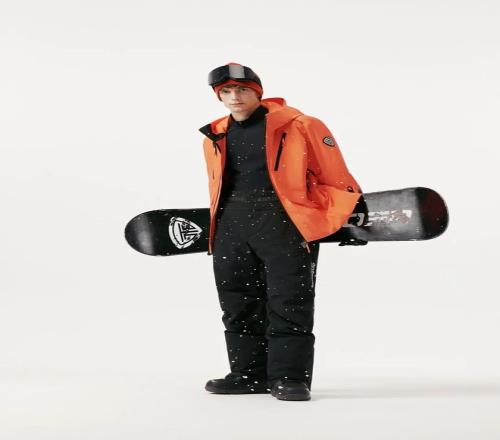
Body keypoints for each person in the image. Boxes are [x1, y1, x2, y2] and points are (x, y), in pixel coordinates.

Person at [199, 62, 363, 401]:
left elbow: (337, 178)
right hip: (232, 222)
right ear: (219, 96)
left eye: (242, 89)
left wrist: (332, 220)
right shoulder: (215, 134)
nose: (234, 97)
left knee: (289, 299)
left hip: (284, 220)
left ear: (258, 92)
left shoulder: (301, 125)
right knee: (237, 300)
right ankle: (248, 374)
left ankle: (289, 377)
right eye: (226, 91)